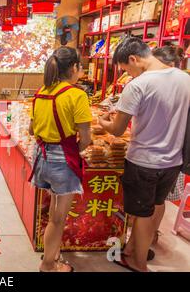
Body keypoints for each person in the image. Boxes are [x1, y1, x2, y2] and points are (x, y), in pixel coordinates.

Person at [99, 37, 190, 272]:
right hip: (172, 162)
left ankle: (138, 265)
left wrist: (103, 122)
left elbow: (118, 130)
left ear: (133, 58)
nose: (127, 74)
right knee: (154, 207)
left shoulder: (138, 85)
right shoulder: (185, 79)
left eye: (125, 69)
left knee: (142, 215)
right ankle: (130, 250)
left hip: (143, 161)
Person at [28, 46, 92, 272]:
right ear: (74, 67)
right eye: (80, 67)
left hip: (42, 159)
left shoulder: (41, 91)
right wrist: (75, 150)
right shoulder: (77, 95)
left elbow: (31, 129)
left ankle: (51, 255)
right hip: (62, 162)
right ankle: (48, 265)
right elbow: (85, 139)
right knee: (58, 218)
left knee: (54, 211)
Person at [151, 45, 187, 243]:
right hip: (173, 153)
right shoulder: (182, 84)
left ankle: (148, 236)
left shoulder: (174, 87)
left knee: (156, 199)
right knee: (159, 199)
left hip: (167, 153)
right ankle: (151, 234)